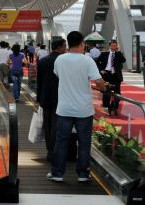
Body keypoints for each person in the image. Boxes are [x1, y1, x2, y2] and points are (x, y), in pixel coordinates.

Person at [48, 31, 106, 183]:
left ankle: (57, 173)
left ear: (67, 43)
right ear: (81, 43)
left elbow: (57, 74)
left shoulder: (60, 59)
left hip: (64, 108)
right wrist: (104, 88)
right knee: (84, 142)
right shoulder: (87, 60)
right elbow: (99, 81)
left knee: (61, 141)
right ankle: (82, 174)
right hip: (84, 110)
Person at [36, 39, 67, 161]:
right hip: (61, 97)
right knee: (57, 124)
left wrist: (39, 98)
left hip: (45, 97)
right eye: (64, 46)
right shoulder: (64, 61)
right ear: (59, 47)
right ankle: (55, 150)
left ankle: (49, 149)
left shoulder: (43, 61)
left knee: (48, 124)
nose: (65, 48)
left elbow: (39, 81)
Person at [98, 40, 126, 116]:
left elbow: (123, 60)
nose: (114, 47)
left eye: (115, 45)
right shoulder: (104, 54)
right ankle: (107, 108)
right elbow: (97, 61)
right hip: (107, 75)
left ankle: (114, 108)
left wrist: (118, 51)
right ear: (110, 46)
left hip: (116, 76)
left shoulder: (119, 54)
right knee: (106, 93)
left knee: (118, 95)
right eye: (112, 45)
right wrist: (101, 70)